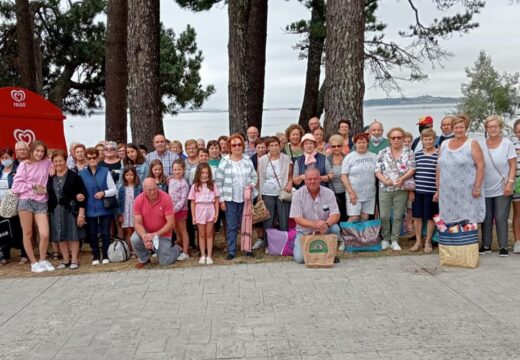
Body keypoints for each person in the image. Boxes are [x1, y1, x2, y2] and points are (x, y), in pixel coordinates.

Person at [11, 140, 54, 273]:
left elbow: (56, 166)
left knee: (45, 234)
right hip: (26, 200)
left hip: (41, 201)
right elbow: (16, 187)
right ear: (32, 151)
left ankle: (42, 259)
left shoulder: (47, 163)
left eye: (42, 151)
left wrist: (52, 168)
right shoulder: (24, 164)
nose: (39, 154)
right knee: (28, 233)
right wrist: (33, 186)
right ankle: (33, 262)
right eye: (37, 151)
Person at [435, 114, 485, 229]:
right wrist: (438, 188)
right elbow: (439, 167)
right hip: (447, 192)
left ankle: (468, 245)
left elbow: (481, 166)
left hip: (467, 190)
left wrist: (477, 187)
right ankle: (451, 244)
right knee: (448, 219)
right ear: (453, 129)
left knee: (468, 219)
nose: (458, 130)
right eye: (456, 127)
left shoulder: (472, 144)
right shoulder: (444, 144)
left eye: (461, 127)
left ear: (466, 128)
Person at [215, 134, 258, 260]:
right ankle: (231, 251)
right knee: (231, 226)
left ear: (242, 146)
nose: (237, 147)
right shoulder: (224, 161)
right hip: (230, 199)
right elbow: (218, 183)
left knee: (246, 225)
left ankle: (247, 249)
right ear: (229, 147)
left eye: (239, 144)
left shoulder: (247, 160)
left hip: (246, 199)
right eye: (234, 145)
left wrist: (251, 185)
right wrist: (221, 200)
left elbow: (254, 177)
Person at [479, 115, 516, 256]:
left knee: (501, 217)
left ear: (500, 128)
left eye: (495, 126)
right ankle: (486, 245)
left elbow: (513, 166)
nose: (493, 129)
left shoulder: (507, 144)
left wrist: (510, 183)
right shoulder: (481, 144)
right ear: (486, 129)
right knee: (486, 217)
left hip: (502, 187)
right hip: (485, 187)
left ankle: (503, 246)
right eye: (490, 126)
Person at [375, 127, 416, 251]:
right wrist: (384, 180)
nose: (396, 140)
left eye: (399, 137)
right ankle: (386, 239)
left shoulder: (408, 152)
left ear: (403, 139)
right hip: (385, 188)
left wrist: (402, 178)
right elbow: (377, 170)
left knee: (398, 216)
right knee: (384, 216)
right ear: (389, 139)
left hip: (401, 188)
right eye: (393, 138)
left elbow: (412, 168)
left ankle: (395, 240)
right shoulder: (382, 152)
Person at [289, 166, 341, 264]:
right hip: (305, 232)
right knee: (300, 259)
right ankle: (298, 245)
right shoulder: (297, 195)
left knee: (335, 228)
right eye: (309, 179)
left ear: (320, 179)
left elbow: (336, 214)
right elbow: (298, 219)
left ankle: (331, 252)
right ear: (305, 181)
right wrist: (315, 224)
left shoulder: (329, 193)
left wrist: (327, 224)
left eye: (315, 178)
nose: (312, 181)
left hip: (324, 230)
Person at [47, 150, 86, 269]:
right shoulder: (51, 177)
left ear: (65, 161)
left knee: (73, 235)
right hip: (55, 210)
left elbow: (82, 196)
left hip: (70, 210)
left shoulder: (74, 176)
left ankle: (74, 259)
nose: (58, 163)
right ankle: (65, 259)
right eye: (55, 161)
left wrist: (81, 214)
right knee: (60, 235)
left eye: (60, 161)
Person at [131, 178, 182, 268]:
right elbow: (138, 223)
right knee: (134, 238)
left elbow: (171, 223)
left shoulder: (166, 198)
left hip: (163, 234)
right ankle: (144, 259)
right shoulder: (138, 200)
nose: (153, 192)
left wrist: (155, 234)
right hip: (147, 232)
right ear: (144, 190)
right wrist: (145, 237)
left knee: (164, 262)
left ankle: (177, 249)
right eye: (149, 190)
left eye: (155, 188)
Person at [79, 147, 117, 265]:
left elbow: (114, 190)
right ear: (86, 159)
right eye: (89, 158)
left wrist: (103, 193)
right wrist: (79, 196)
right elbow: (80, 191)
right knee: (92, 233)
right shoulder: (82, 173)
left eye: (94, 157)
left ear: (98, 157)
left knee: (105, 233)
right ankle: (95, 255)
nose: (92, 160)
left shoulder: (105, 171)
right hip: (90, 208)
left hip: (104, 207)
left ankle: (105, 255)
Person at [255, 136, 293, 249]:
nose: (274, 147)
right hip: (267, 192)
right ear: (267, 147)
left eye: (276, 145)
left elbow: (291, 175)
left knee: (283, 218)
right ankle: (269, 245)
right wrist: (258, 194)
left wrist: (290, 183)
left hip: (282, 192)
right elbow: (258, 177)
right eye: (271, 145)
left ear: (280, 146)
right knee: (268, 219)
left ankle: (284, 244)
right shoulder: (262, 160)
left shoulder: (286, 158)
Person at [409, 129, 439, 253]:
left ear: (434, 139)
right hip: (418, 191)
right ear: (421, 140)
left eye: (430, 139)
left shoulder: (439, 154)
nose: (427, 141)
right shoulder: (417, 155)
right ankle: (418, 241)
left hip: (432, 192)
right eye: (425, 139)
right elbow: (412, 174)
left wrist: (438, 191)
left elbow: (440, 174)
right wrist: (411, 191)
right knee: (417, 217)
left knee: (430, 217)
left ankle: (428, 241)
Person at [341, 133, 377, 221]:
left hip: (369, 193)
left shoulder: (374, 156)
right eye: (359, 142)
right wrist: (351, 192)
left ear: (367, 143)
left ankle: (361, 235)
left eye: (363, 142)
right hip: (354, 193)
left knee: (365, 217)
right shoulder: (349, 157)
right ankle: (347, 234)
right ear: (355, 144)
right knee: (354, 217)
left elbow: (378, 173)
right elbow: (343, 176)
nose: (361, 144)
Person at [189, 163, 220, 265]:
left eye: (207, 173)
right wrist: (193, 216)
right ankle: (202, 255)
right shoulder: (195, 186)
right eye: (202, 172)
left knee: (209, 234)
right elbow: (193, 202)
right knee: (201, 234)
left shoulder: (213, 185)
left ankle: (209, 255)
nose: (205, 175)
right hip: (199, 210)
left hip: (210, 209)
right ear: (198, 173)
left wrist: (216, 213)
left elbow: (216, 201)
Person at [0, 147, 25, 264]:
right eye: (2, 158)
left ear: (12, 157)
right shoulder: (0, 170)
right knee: (3, 228)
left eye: (7, 157)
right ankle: (4, 254)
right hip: (1, 205)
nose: (5, 160)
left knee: (18, 228)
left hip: (14, 204)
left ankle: (23, 253)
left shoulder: (18, 169)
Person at [117, 165, 142, 258]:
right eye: (127, 175)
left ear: (135, 175)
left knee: (137, 231)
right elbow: (119, 202)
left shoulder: (138, 187)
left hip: (135, 212)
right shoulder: (122, 188)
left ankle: (138, 250)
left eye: (131, 175)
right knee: (129, 232)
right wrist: (120, 214)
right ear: (124, 176)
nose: (129, 177)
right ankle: (131, 250)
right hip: (126, 212)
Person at [168, 159, 190, 260]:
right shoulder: (171, 181)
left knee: (183, 230)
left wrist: (174, 209)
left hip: (181, 210)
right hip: (172, 211)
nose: (177, 171)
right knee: (176, 231)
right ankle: (179, 248)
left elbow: (183, 200)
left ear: (183, 170)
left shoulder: (184, 184)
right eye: (175, 169)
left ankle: (185, 252)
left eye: (179, 169)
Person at [327, 135, 347, 222]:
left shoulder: (347, 158)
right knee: (335, 216)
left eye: (339, 146)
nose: (336, 148)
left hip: (346, 192)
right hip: (332, 193)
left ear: (342, 146)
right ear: (330, 147)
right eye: (333, 146)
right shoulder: (327, 159)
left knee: (345, 214)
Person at [512, 119, 520, 254]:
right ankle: (518, 241)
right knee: (518, 213)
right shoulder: (511, 144)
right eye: (518, 131)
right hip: (517, 180)